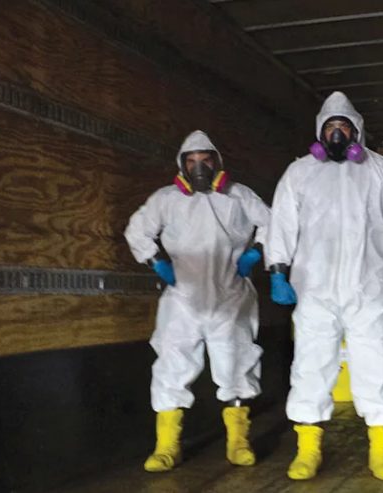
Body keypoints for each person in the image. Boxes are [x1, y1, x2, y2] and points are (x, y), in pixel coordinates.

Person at [266, 91, 383, 481]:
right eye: (330, 127)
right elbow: (282, 222)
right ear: (320, 131)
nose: (337, 133)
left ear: (357, 132)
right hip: (314, 287)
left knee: (376, 363)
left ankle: (382, 448)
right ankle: (308, 449)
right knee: (310, 365)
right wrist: (277, 269)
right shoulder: (300, 172)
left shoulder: (381, 170)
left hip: (367, 285)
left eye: (344, 126)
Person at [124, 130, 270, 472]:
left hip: (230, 295)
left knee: (236, 364)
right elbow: (137, 231)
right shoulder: (166, 199)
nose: (199, 167)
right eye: (191, 161)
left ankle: (238, 442)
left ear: (217, 162)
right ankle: (167, 447)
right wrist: (155, 260)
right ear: (181, 165)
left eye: (205, 160)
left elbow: (275, 223)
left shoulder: (239, 195)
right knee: (171, 366)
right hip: (183, 298)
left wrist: (256, 252)